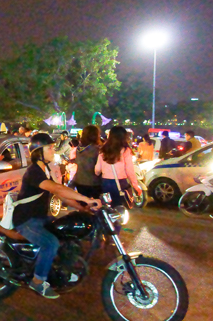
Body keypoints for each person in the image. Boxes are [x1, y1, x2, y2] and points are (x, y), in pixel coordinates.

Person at [12, 133, 101, 299]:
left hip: (40, 218)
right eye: (50, 148)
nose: (54, 151)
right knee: (51, 243)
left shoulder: (45, 169)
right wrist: (85, 198)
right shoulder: (34, 172)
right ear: (38, 151)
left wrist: (82, 208)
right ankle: (38, 282)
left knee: (66, 233)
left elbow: (62, 195)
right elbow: (57, 189)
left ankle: (60, 269)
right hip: (26, 221)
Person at [95, 126, 142, 207]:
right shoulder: (126, 150)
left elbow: (97, 170)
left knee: (108, 208)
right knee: (120, 208)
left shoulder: (103, 150)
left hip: (105, 183)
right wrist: (135, 186)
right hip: (120, 183)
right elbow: (129, 171)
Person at [72, 125, 103, 199]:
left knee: (83, 205)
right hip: (94, 181)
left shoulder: (79, 148)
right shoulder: (97, 149)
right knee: (96, 205)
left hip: (80, 180)